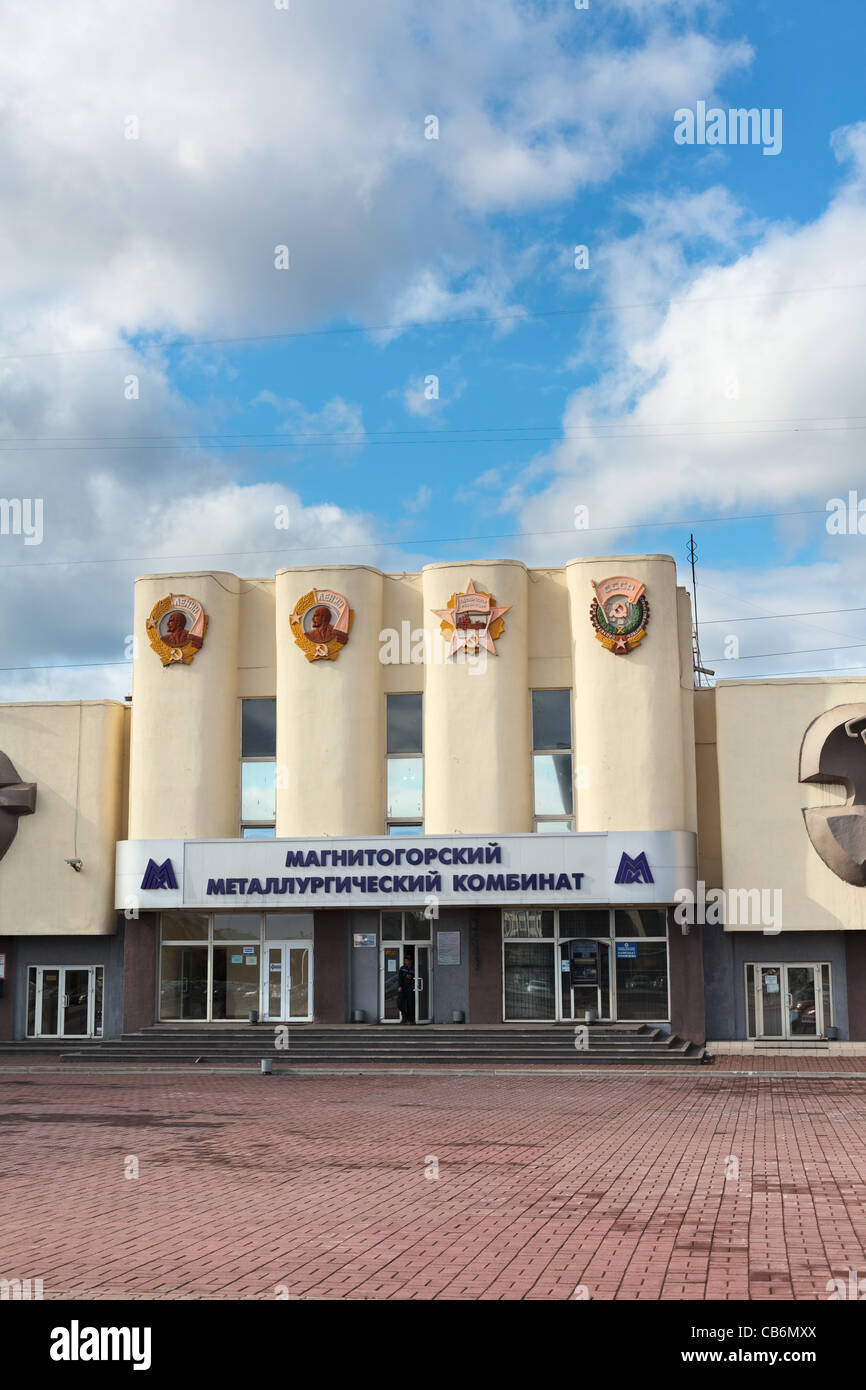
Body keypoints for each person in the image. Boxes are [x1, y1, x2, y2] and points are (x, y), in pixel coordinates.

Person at [397, 953, 415, 1024]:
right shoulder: (402, 968)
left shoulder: (414, 968)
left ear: (412, 961)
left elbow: (419, 977)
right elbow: (399, 978)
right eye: (406, 960)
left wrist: (412, 977)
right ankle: (404, 1017)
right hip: (403, 988)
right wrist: (399, 986)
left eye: (409, 960)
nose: (408, 961)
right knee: (400, 1003)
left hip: (411, 989)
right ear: (405, 961)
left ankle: (411, 1019)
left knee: (411, 1004)